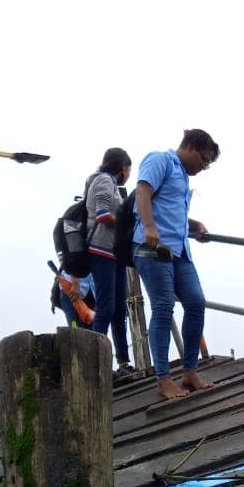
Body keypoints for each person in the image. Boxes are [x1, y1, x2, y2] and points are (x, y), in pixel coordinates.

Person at [133, 128, 219, 400]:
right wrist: (149, 226)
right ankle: (163, 379)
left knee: (196, 302)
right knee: (163, 307)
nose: (204, 167)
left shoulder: (182, 175)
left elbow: (171, 208)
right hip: (153, 248)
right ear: (191, 147)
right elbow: (142, 193)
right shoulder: (160, 160)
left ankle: (189, 370)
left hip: (180, 251)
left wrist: (195, 225)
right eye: (204, 159)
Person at [80, 147, 135, 379]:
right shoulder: (103, 181)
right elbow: (103, 215)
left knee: (119, 310)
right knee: (107, 307)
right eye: (128, 168)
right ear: (122, 166)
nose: (129, 173)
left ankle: (123, 361)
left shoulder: (111, 183)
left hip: (114, 252)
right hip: (101, 251)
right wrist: (128, 228)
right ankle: (95, 363)